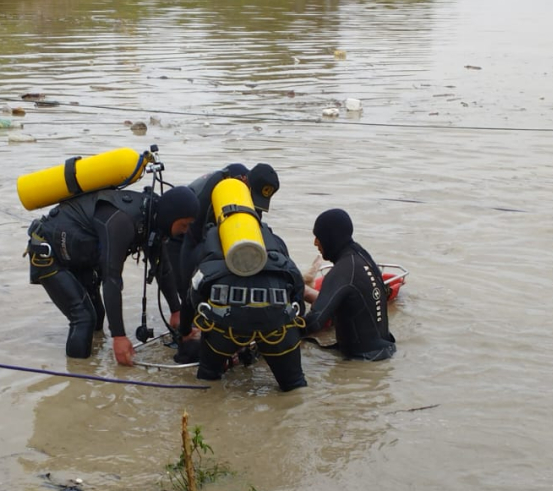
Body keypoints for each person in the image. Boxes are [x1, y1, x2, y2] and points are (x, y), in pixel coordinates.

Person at [26, 185, 198, 366]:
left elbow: (162, 267)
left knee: (97, 316)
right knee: (84, 318)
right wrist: (119, 336)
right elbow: (112, 279)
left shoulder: (151, 221)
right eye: (184, 225)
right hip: (48, 253)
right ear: (170, 216)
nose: (186, 231)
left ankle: (92, 364)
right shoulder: (122, 222)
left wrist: (176, 311)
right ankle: (77, 376)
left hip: (79, 254)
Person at [177, 188, 307, 391]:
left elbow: (191, 294)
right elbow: (295, 284)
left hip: (225, 327)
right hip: (276, 324)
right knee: (295, 386)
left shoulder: (209, 242)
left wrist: (185, 331)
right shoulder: (273, 239)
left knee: (208, 381)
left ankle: (207, 408)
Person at [170, 162, 280, 317]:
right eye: (252, 196)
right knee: (187, 287)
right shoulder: (211, 192)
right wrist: (188, 298)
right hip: (181, 231)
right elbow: (192, 242)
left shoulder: (248, 187)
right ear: (244, 180)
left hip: (208, 223)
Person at [303, 208, 396, 361]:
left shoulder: (342, 271)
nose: (315, 242)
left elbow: (315, 321)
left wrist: (282, 329)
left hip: (362, 361)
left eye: (318, 237)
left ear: (330, 238)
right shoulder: (362, 256)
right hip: (385, 351)